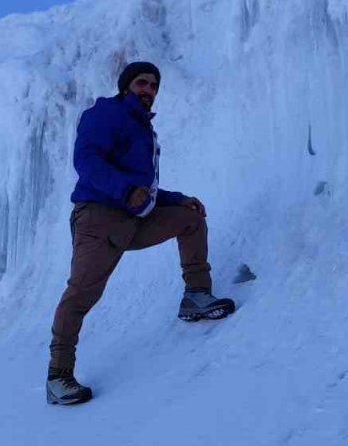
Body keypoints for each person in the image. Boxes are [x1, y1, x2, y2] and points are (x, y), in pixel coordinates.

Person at [46, 61, 235, 405]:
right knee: (80, 296)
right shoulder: (106, 114)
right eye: (141, 83)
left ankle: (196, 297)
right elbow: (86, 160)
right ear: (126, 86)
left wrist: (179, 199)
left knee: (189, 218)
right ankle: (58, 376)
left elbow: (142, 190)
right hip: (99, 218)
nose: (148, 89)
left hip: (133, 220)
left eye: (153, 85)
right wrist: (123, 190)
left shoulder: (143, 130)